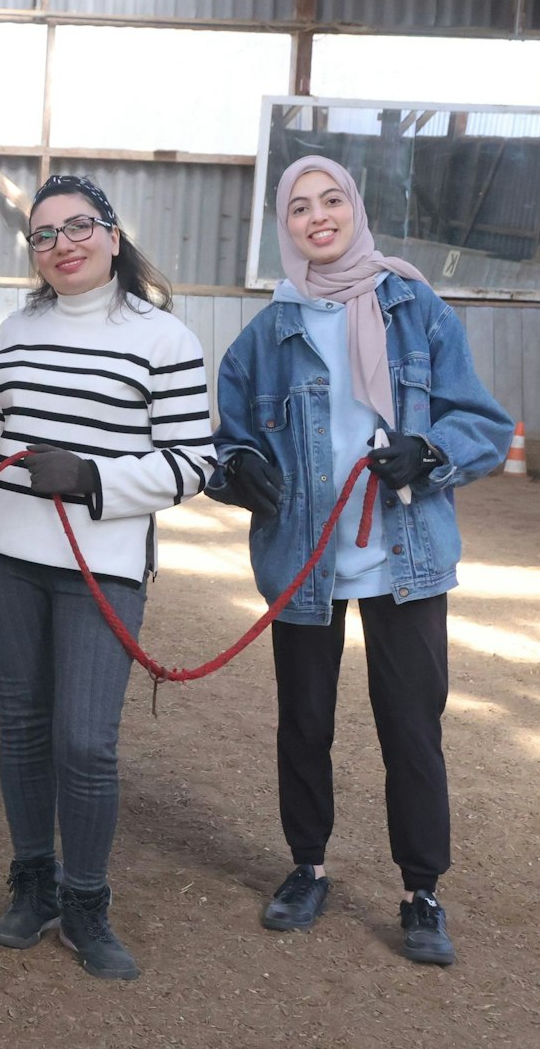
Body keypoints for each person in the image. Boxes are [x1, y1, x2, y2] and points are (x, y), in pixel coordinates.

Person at [0, 174, 213, 980]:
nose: (61, 245)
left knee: (87, 742)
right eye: (43, 236)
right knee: (25, 728)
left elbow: (192, 463)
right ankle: (32, 884)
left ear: (110, 233)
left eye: (77, 228)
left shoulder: (165, 337)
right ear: (32, 253)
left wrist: (94, 479)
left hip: (98, 564)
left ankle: (87, 901)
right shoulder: (17, 330)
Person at [207, 156, 512, 966]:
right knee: (304, 725)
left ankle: (422, 890)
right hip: (305, 561)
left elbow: (484, 423)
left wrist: (429, 450)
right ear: (286, 223)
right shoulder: (265, 334)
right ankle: (308, 867)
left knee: (412, 729)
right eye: (300, 206)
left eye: (331, 200)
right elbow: (224, 444)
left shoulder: (420, 309)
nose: (318, 216)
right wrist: (237, 470)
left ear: (355, 209)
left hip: (405, 557)